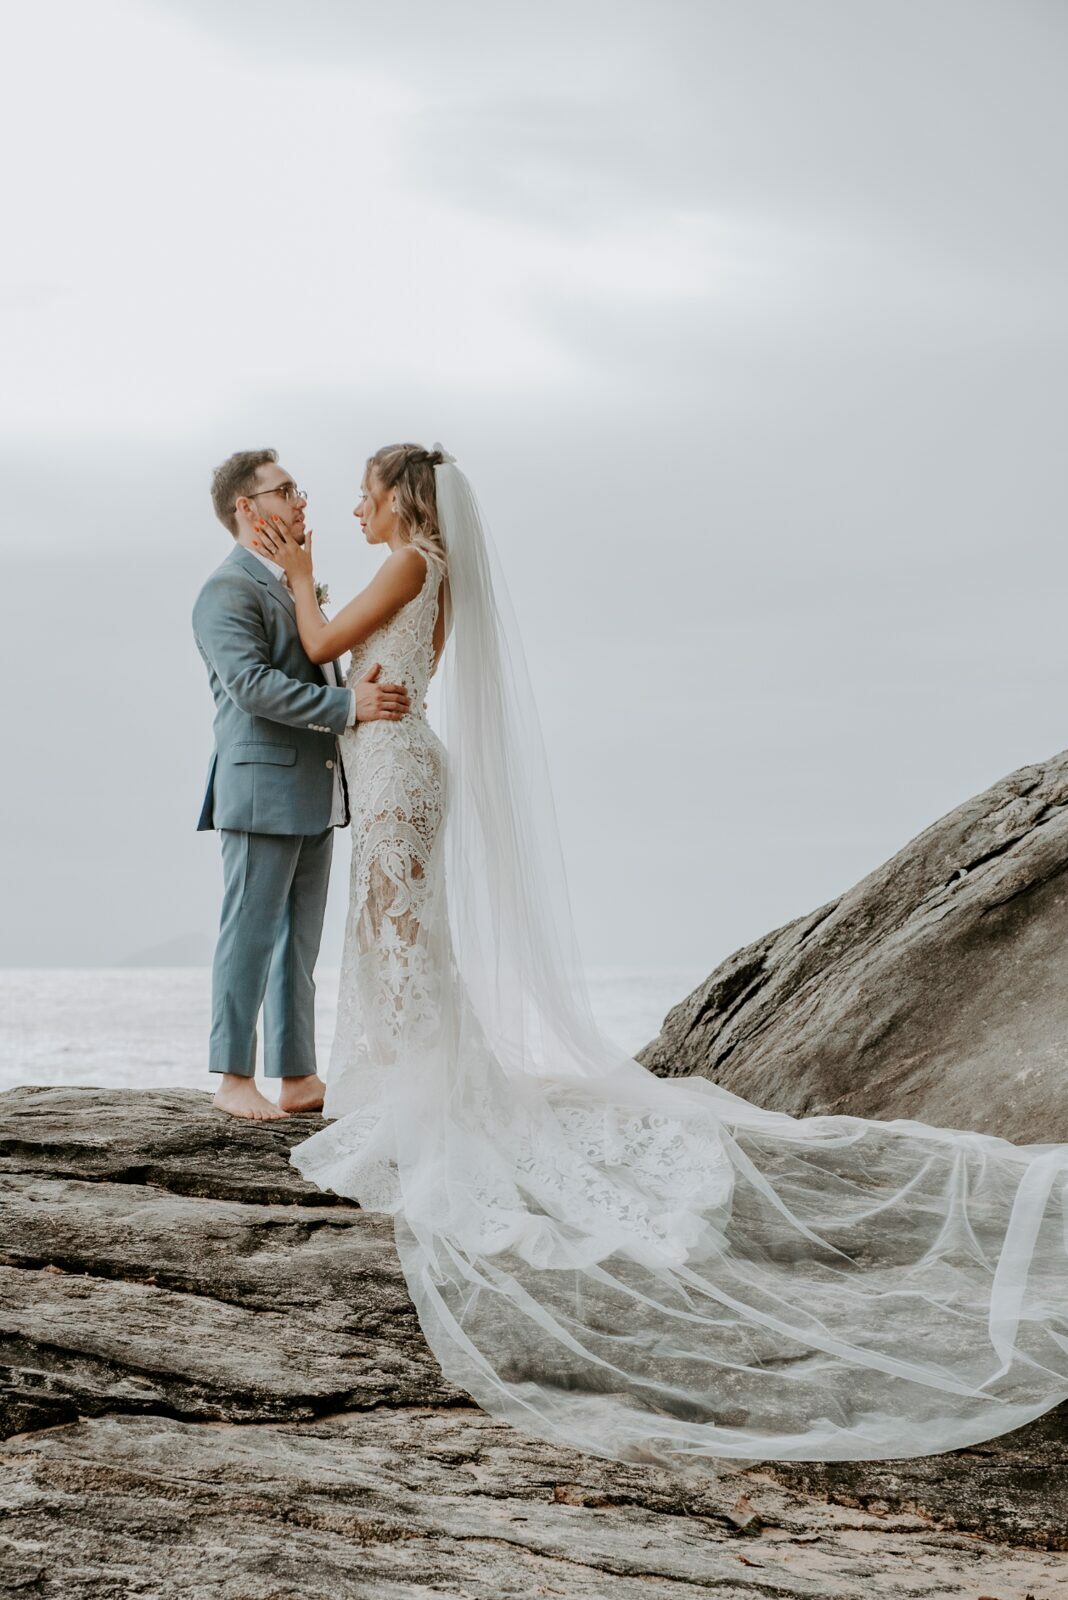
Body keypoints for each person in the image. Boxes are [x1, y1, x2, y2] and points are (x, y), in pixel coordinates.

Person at [255, 442, 1068, 1473]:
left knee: (402, 932)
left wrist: (292, 566)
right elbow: (352, 658)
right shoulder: (422, 568)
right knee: (393, 935)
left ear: (403, 498)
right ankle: (411, 1073)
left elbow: (323, 633)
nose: (356, 506)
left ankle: (421, 1087)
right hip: (387, 760)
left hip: (400, 768)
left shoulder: (414, 557)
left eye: (367, 492)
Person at [192, 449, 412, 1122]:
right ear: (246, 508)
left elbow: (310, 666)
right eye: (284, 490)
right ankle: (232, 1076)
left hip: (317, 789)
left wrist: (352, 688)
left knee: (299, 944)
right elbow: (253, 688)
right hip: (260, 790)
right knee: (249, 934)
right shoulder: (226, 590)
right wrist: (350, 708)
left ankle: (295, 1076)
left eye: (298, 489)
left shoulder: (290, 583)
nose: (300, 501)